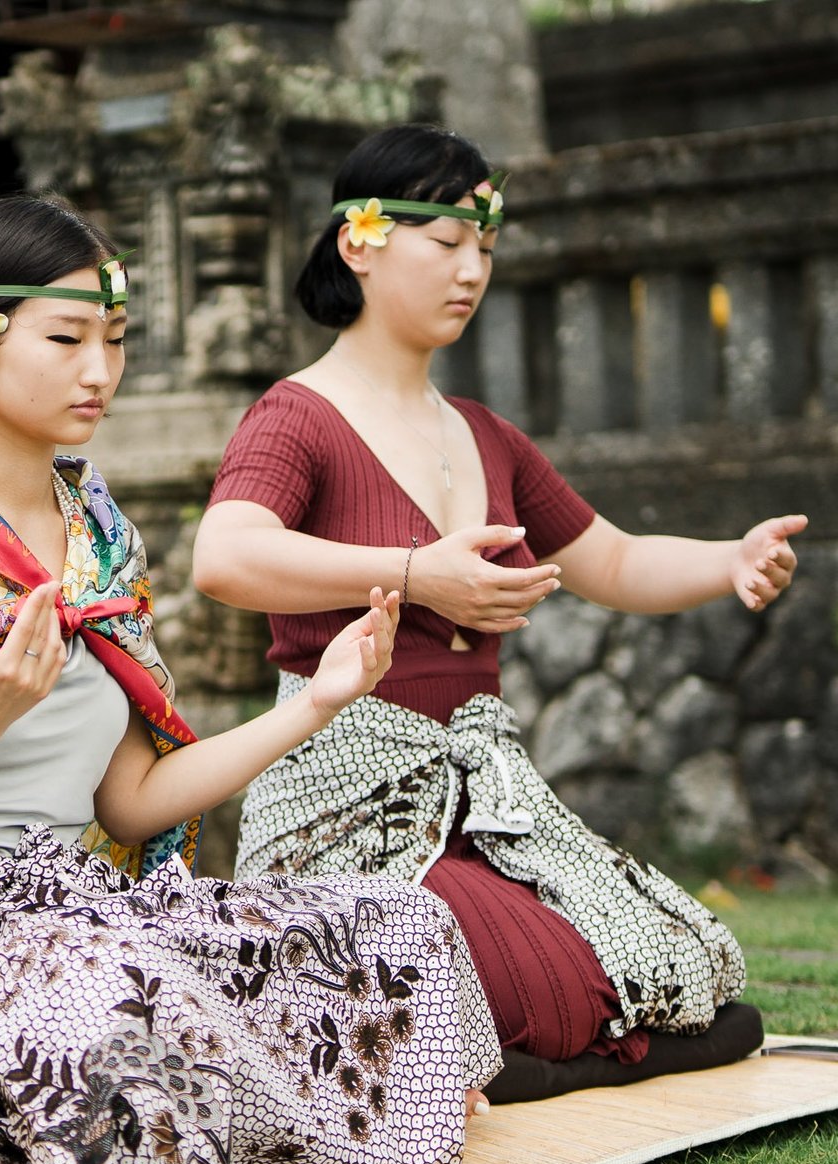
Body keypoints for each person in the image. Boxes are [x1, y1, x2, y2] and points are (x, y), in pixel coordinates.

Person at [0, 194, 502, 1164]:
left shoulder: (99, 531)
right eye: (66, 338)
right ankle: (304, 1113)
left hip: (86, 907)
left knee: (395, 923)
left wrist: (321, 699)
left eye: (113, 339)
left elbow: (133, 798)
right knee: (116, 998)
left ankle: (286, 1107)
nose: (100, 371)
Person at [194, 124, 791, 1102]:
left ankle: (502, 1065)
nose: (472, 270)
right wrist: (415, 574)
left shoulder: (485, 433)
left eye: (486, 244)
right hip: (347, 805)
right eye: (446, 242)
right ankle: (507, 1054)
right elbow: (224, 556)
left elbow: (613, 558)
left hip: (488, 797)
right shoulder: (295, 415)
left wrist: (730, 560)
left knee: (689, 961)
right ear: (360, 244)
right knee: (551, 990)